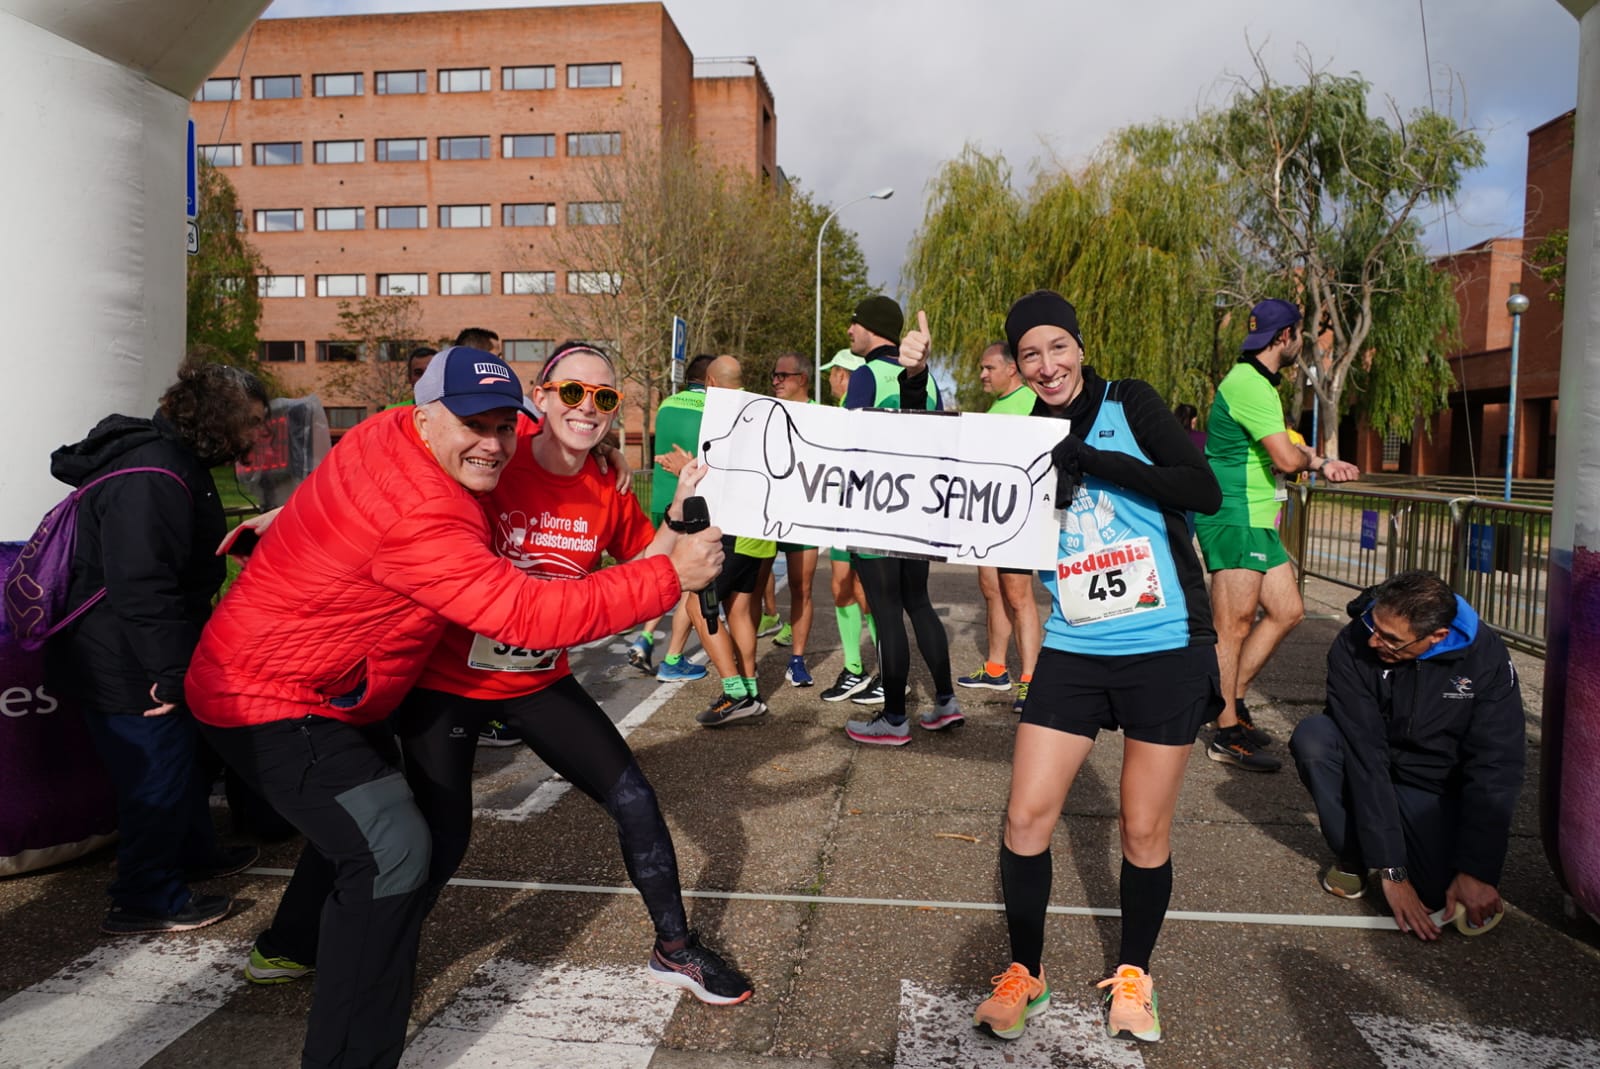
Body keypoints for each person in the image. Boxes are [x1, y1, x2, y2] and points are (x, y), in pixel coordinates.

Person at [187, 346, 723, 1069]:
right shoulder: (436, 502)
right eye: (476, 423)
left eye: (506, 425)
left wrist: (666, 513)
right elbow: (520, 609)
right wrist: (668, 579)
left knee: (376, 833)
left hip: (354, 682)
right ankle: (339, 1013)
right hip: (307, 692)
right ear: (425, 416)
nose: (493, 441)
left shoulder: (405, 437)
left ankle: (298, 946)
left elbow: (620, 550)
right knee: (401, 846)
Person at [972, 290, 1221, 1045]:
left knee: (1142, 828)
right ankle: (1025, 973)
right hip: (1075, 647)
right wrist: (914, 387)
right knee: (1024, 816)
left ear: (1079, 345)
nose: (1046, 365)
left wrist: (1099, 461)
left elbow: (1200, 489)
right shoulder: (1019, 433)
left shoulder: (1130, 402)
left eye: (1057, 347)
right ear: (1016, 365)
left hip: (1164, 642)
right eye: (1029, 354)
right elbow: (942, 479)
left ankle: (1136, 975)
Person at [45, 360, 269, 935]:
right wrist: (168, 673)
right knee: (157, 773)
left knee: (183, 759)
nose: (259, 436)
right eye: (254, 422)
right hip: (125, 655)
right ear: (221, 417)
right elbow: (141, 586)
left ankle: (193, 855)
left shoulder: (167, 460)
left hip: (131, 645)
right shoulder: (153, 471)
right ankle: (145, 896)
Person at [1289, 570, 1523, 940]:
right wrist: (1392, 870)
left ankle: (1410, 847)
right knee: (1315, 738)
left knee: (1435, 897)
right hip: (1372, 761)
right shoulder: (1355, 641)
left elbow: (1496, 764)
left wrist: (1477, 869)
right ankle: (1355, 854)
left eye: (1391, 639)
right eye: (1374, 626)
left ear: (1437, 637)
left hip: (1433, 782)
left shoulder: (1485, 658)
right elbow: (1365, 753)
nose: (1374, 642)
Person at [1195, 299, 1359, 772]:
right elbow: (1287, 459)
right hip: (1234, 515)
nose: (1299, 343)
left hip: (1256, 517)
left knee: (1288, 611)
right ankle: (1224, 731)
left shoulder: (1259, 383)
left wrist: (1321, 460)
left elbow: (1288, 445)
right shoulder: (1248, 383)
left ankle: (1233, 702)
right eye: (1299, 335)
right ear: (1286, 336)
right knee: (1233, 626)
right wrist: (1316, 462)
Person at [839, 297, 959, 744]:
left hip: (876, 507)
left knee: (886, 610)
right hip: (921, 509)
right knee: (919, 602)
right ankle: (946, 701)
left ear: (872, 328)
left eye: (855, 323)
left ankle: (893, 719)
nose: (850, 329)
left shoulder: (866, 375)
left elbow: (847, 441)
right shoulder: (925, 380)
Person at [961, 341, 1042, 715]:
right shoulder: (997, 406)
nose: (982, 375)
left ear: (1012, 369)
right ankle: (996, 668)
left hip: (1017, 517)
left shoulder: (1030, 402)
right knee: (991, 589)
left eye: (988, 367)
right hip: (988, 514)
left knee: (1018, 596)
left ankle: (1031, 681)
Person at [627, 354, 715, 684]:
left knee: (660, 571)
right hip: (690, 502)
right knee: (690, 582)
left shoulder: (665, 405)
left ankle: (645, 637)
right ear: (711, 380)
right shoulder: (712, 409)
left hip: (660, 500)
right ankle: (673, 658)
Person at [817, 348, 879, 702]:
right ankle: (854, 668)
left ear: (844, 375)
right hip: (843, 515)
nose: (829, 379)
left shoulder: (855, 411)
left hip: (864, 515)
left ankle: (886, 668)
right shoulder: (842, 411)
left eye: (832, 372)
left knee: (867, 592)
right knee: (842, 585)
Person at [765, 352, 821, 687]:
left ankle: (797, 660)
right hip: (765, 513)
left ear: (802, 378)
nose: (775, 381)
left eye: (782, 375)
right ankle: (745, 665)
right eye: (774, 375)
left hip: (804, 516)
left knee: (802, 587)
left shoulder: (822, 416)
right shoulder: (765, 411)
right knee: (752, 589)